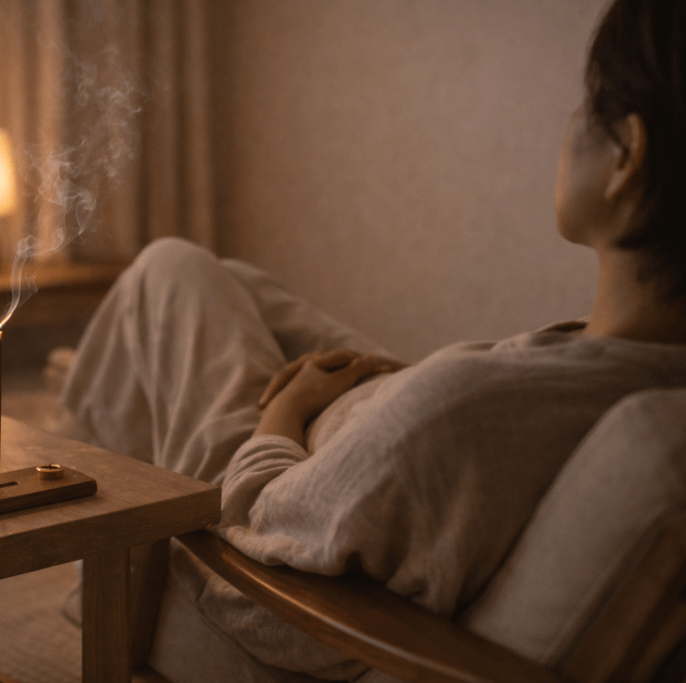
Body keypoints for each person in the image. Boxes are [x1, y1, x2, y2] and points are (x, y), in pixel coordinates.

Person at [61, 0, 686, 677]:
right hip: (392, 451)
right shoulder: (639, 372)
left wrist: (285, 414)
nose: (568, 123)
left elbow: (257, 552)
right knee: (234, 282)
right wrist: (395, 392)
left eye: (586, 100)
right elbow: (454, 438)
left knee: (170, 267)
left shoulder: (465, 408)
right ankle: (97, 422)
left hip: (256, 567)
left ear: (628, 155)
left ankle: (99, 560)